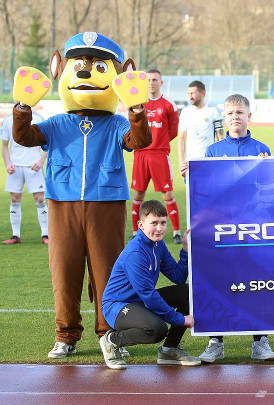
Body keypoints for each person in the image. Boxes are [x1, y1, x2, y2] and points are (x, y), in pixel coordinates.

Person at [12, 32, 152, 360]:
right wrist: (22, 108)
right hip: (63, 204)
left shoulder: (116, 123)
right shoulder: (57, 123)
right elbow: (24, 137)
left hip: (107, 205)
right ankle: (66, 335)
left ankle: (110, 334)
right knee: (64, 271)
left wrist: (135, 109)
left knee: (108, 272)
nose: (87, 72)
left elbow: (139, 140)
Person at [200, 94, 274, 362]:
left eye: (240, 112)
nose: (235, 117)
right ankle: (215, 342)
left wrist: (267, 169)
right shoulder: (213, 151)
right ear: (225, 117)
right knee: (218, 282)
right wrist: (190, 175)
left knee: (257, 283)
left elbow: (272, 191)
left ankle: (260, 342)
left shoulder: (262, 148)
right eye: (231, 113)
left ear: (249, 116)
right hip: (222, 228)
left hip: (253, 229)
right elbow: (205, 190)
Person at [100, 200, 200, 369]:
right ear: (141, 225)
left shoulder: (158, 244)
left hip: (140, 301)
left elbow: (178, 277)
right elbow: (148, 295)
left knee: (189, 293)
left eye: (163, 223)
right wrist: (180, 319)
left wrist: (185, 249)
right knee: (156, 329)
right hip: (117, 306)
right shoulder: (135, 253)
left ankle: (169, 350)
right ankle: (111, 340)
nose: (159, 228)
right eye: (154, 223)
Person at [130, 69, 182, 244]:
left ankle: (176, 232)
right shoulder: (138, 103)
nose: (151, 83)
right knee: (138, 194)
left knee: (167, 193)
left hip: (159, 154)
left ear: (161, 82)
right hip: (141, 154)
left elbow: (173, 131)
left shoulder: (168, 104)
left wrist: (159, 142)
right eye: (148, 80)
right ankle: (136, 231)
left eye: (154, 80)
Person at [1, 110, 49, 244]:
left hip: (33, 165)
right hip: (15, 167)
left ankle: (46, 234)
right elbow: (4, 145)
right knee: (14, 198)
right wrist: (8, 164)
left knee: (40, 199)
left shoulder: (38, 118)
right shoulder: (8, 119)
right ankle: (15, 235)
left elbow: (49, 144)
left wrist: (41, 161)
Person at [178, 80, 223, 176]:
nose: (190, 96)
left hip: (208, 161)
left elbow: (220, 137)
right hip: (190, 162)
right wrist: (181, 162)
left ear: (203, 93)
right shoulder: (185, 112)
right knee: (192, 186)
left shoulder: (213, 111)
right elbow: (181, 138)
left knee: (210, 185)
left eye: (192, 93)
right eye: (188, 93)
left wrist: (221, 159)